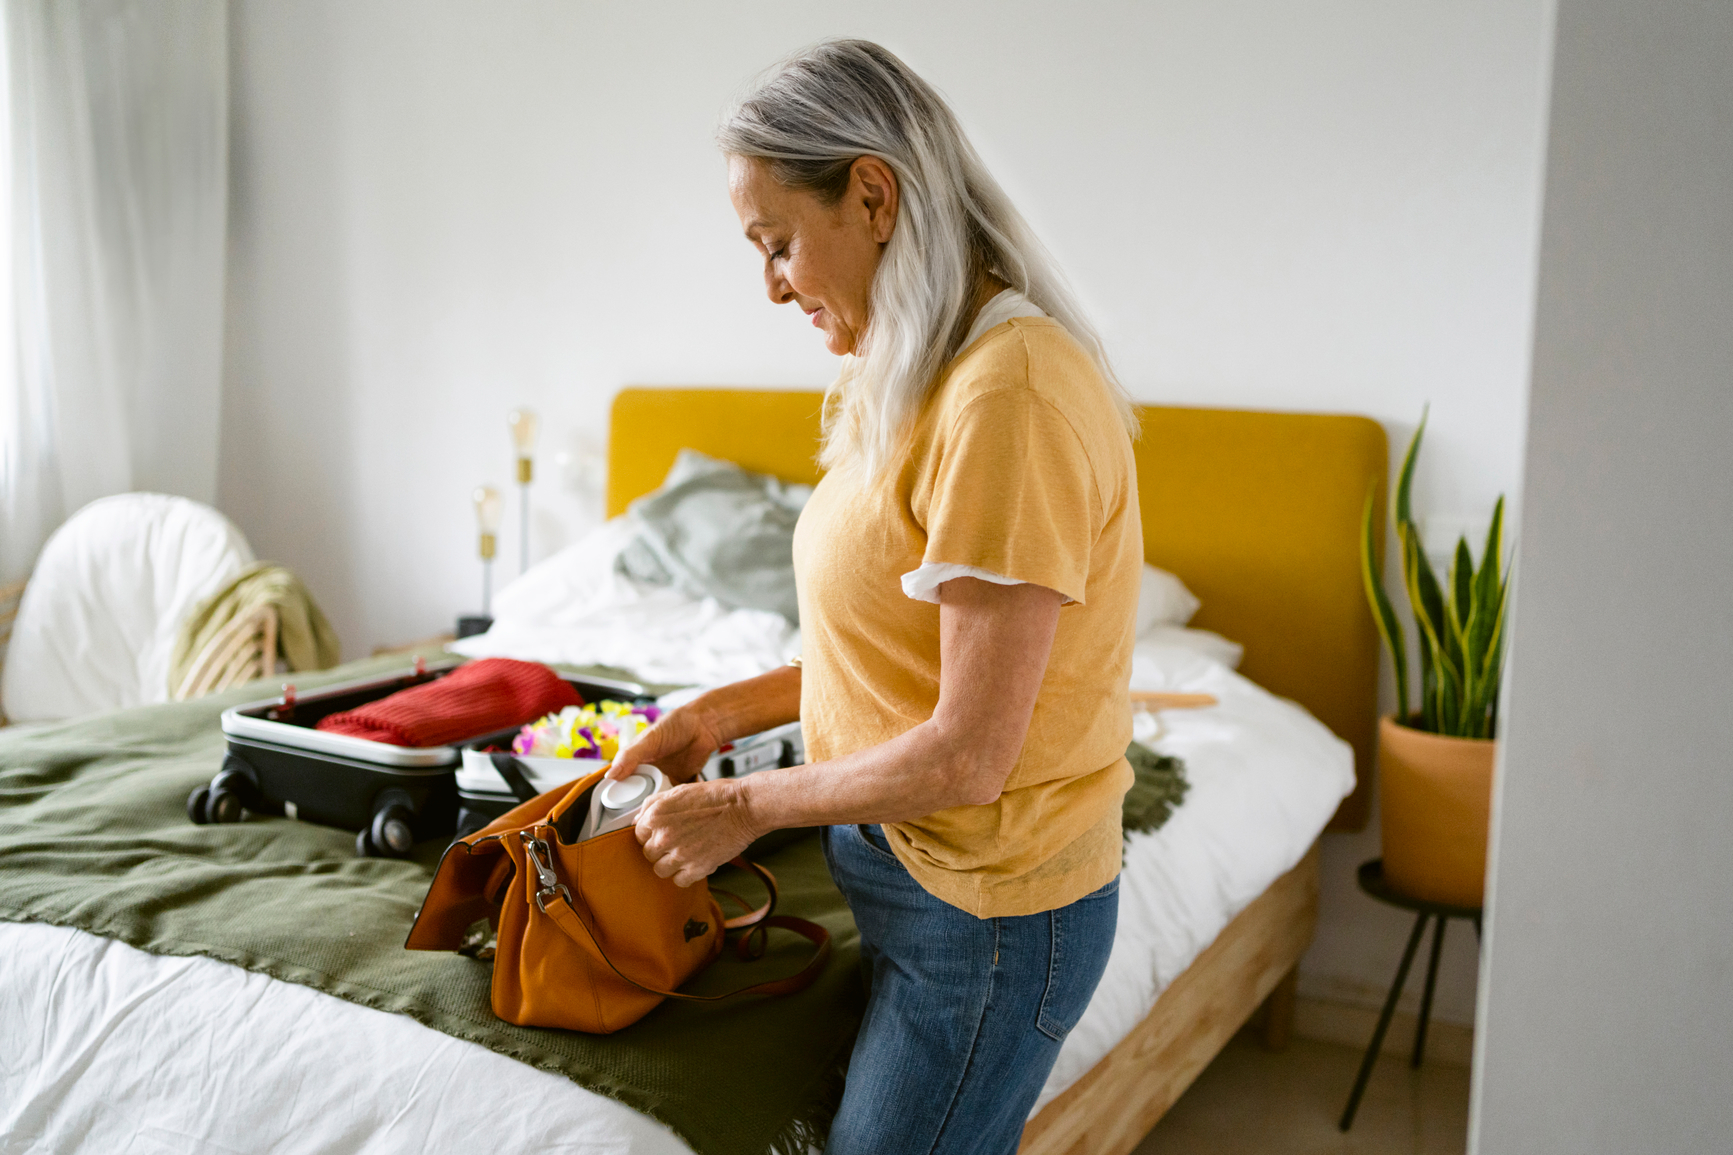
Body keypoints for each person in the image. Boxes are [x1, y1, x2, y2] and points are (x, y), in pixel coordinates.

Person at [607, 39, 1143, 1155]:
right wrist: (714, 719)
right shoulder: (900, 364)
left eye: (778, 246)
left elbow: (965, 752)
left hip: (988, 916)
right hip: (904, 871)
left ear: (871, 193)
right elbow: (891, 650)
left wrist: (741, 808)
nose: (769, 285)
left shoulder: (1013, 396)